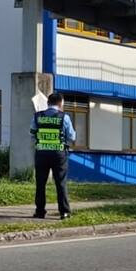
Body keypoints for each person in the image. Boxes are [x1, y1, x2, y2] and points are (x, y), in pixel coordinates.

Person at [32, 92, 76, 220]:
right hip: (59, 154)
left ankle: (40, 211)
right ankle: (64, 212)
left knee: (40, 183)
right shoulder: (64, 117)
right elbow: (72, 137)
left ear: (47, 103)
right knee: (60, 183)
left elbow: (32, 132)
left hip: (41, 154)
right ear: (61, 103)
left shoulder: (38, 116)